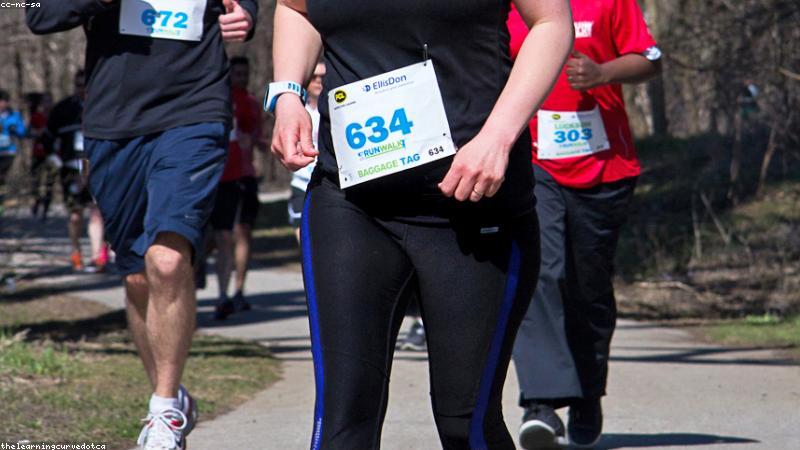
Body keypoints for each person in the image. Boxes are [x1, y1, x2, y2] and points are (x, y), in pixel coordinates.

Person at [269, 0, 573, 448]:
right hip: (351, 200)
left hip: (472, 202)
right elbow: (294, 7)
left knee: (464, 422)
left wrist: (498, 135)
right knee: (343, 419)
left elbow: (552, 22)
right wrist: (288, 94)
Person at [27, 1, 257, 449]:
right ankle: (167, 399)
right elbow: (36, 14)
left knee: (168, 262)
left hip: (195, 109)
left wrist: (247, 11)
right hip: (116, 124)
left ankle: (164, 409)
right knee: (137, 274)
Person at [506, 2, 662, 448]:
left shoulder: (611, 1)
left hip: (603, 167)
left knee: (588, 289)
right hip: (532, 162)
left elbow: (650, 60)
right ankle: (542, 402)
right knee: (540, 274)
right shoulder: (510, 6)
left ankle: (587, 392)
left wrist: (604, 72)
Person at [209, 56, 263, 319]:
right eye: (237, 74)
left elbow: (259, 138)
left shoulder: (253, 103)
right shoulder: (217, 100)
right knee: (221, 237)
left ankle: (238, 290)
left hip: (245, 175)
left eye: (245, 73)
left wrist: (254, 141)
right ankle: (221, 293)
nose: (241, 78)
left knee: (243, 233)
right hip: (220, 176)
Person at [48, 70, 108, 272]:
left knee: (96, 212)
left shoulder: (103, 106)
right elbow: (48, 139)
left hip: (96, 166)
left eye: (85, 85)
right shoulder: (63, 110)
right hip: (71, 169)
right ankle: (76, 251)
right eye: (79, 85)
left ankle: (96, 255)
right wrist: (56, 161)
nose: (82, 89)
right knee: (75, 215)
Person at [288, 61, 324, 244]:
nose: (318, 81)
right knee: (304, 238)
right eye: (314, 77)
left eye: (322, 77)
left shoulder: (338, 109)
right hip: (302, 183)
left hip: (329, 182)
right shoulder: (296, 111)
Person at [28, 91, 56, 221]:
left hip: (52, 154)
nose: (47, 104)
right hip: (38, 153)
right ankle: (36, 201)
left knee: (50, 182)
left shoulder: (56, 117)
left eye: (49, 101)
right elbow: (29, 132)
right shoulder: (36, 117)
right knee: (36, 181)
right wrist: (40, 132)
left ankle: (45, 208)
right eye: (44, 101)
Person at [0, 89, 27, 215]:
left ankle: (2, 201)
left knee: (2, 176)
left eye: (3, 101)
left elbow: (23, 132)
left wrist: (14, 129)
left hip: (8, 152)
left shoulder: (14, 115)